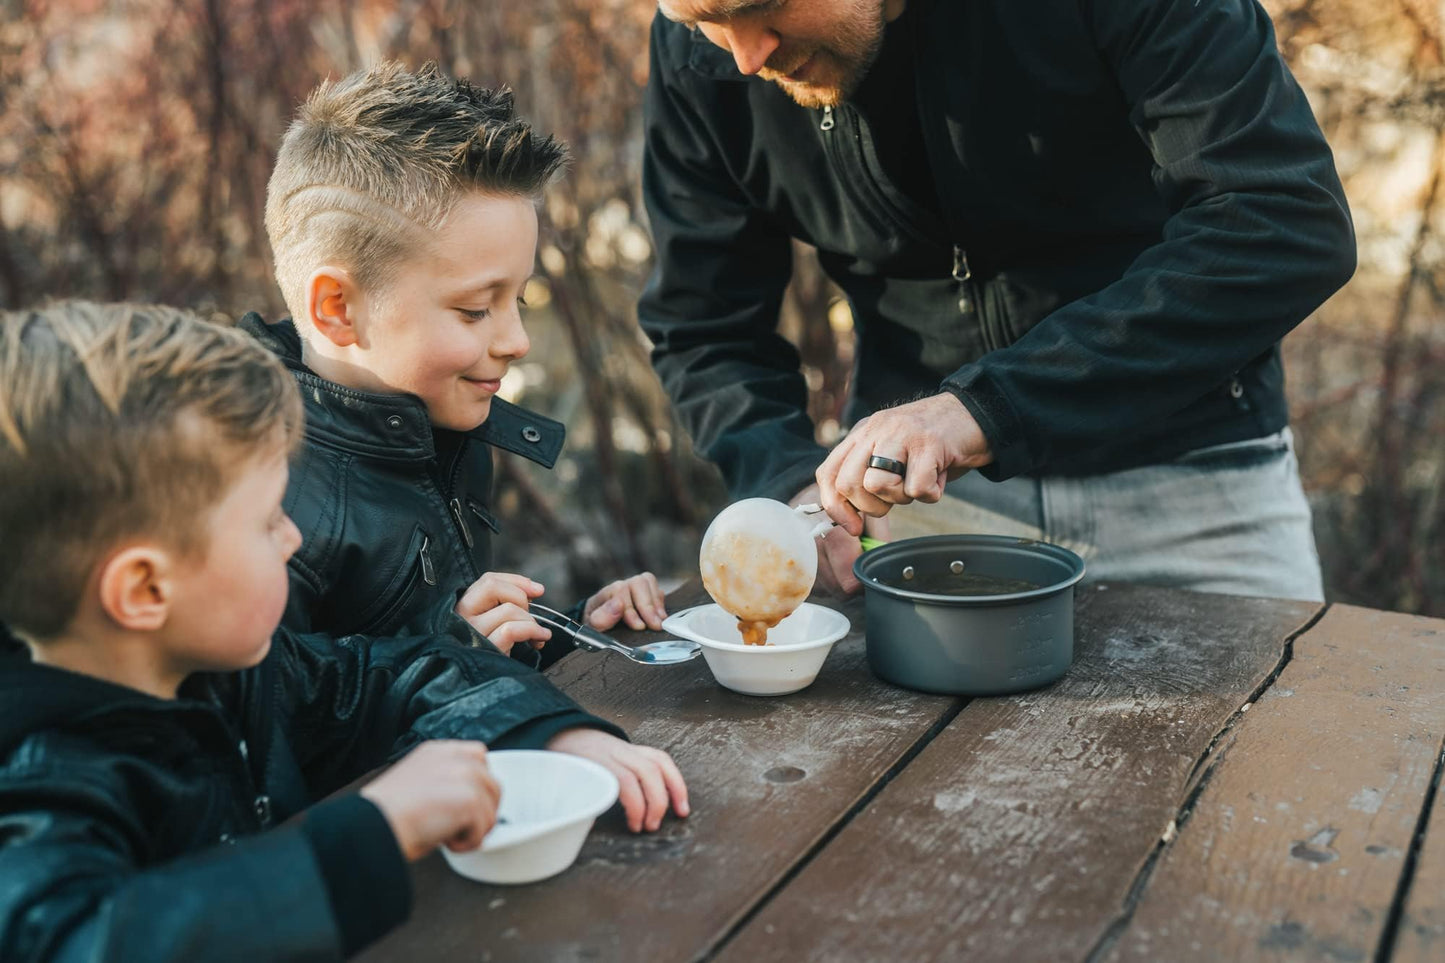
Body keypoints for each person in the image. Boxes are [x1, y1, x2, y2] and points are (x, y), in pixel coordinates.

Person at [0, 302, 690, 961]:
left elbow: (397, 673)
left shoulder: (233, 675)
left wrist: (546, 731)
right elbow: (76, 941)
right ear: (145, 590)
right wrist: (375, 829)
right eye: (267, 518)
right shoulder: (46, 784)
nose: (292, 533)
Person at [638, 0, 1356, 601]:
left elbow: (1278, 217)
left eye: (763, 5)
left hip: (1196, 491)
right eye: (702, 19)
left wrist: (986, 408)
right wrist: (789, 480)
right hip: (911, 514)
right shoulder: (701, 49)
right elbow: (702, 324)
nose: (743, 56)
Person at [249, 61, 666, 664]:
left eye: (518, 299)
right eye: (475, 309)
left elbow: (467, 653)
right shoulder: (257, 507)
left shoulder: (442, 418)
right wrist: (453, 653)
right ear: (337, 308)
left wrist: (570, 633)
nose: (518, 340)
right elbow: (277, 731)